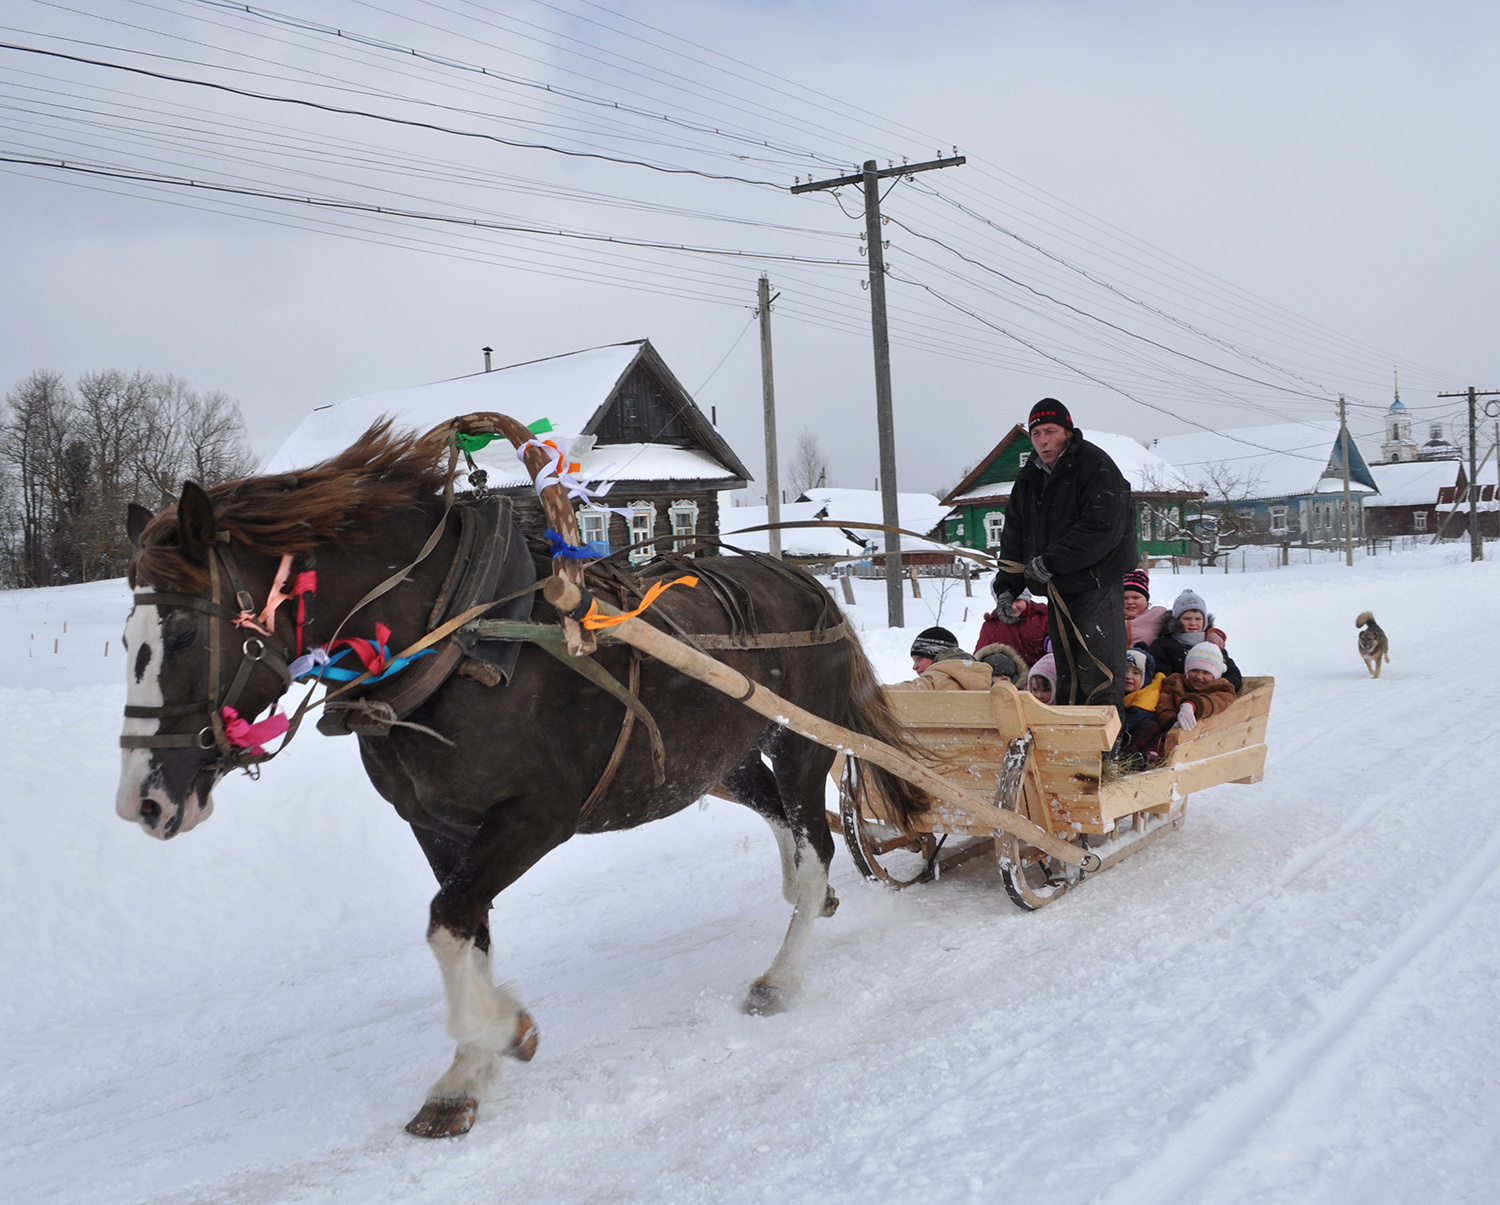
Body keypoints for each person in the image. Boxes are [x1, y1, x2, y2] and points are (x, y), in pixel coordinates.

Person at [992, 398, 1136, 710]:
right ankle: (1073, 749)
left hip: (1096, 585)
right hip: (1058, 590)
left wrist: (1052, 560)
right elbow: (1014, 538)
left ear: (1068, 432)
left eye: (1050, 431)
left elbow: (1103, 527)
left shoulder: (1096, 466)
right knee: (1067, 674)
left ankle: (1107, 755)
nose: (1043, 440)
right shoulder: (1029, 479)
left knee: (1100, 675)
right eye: (1036, 434)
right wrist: (1007, 588)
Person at [1145, 588, 1244, 691]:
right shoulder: (1164, 644)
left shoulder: (1211, 644)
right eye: (1187, 619)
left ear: (1204, 621)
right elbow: (1160, 674)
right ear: (1177, 621)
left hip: (1212, 695)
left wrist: (1217, 686)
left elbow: (1233, 674)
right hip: (1176, 695)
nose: (1193, 623)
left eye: (1198, 619)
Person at [1156, 642, 1239, 734]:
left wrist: (1193, 705)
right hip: (1175, 734)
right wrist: (1171, 723)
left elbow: (1218, 701)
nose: (1199, 677)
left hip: (1210, 734)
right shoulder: (1175, 682)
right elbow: (1165, 704)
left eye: (1206, 672)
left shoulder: (1223, 688)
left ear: (1215, 676)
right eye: (1194, 670)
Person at [891, 626, 993, 692]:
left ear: (937, 655)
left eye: (919, 658)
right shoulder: (982, 679)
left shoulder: (937, 682)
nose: (914, 667)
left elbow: (909, 690)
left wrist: (876, 691)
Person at [975, 596, 1050, 667]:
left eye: (1017, 600)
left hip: (1047, 675)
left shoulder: (1045, 618)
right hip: (1010, 678)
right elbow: (980, 658)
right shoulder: (990, 626)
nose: (1013, 606)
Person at [1121, 648, 1166, 753]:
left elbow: (1130, 721)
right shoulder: (1119, 693)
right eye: (1124, 671)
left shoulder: (1147, 695)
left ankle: (1128, 757)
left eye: (1136, 673)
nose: (1128, 676)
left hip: (1135, 734)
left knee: (1150, 727)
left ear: (1145, 678)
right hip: (1124, 735)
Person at [1123, 569, 1170, 649]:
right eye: (1124, 598)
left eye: (1136, 597)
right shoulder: (1109, 618)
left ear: (1146, 601)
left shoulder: (1158, 615)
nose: (1130, 602)